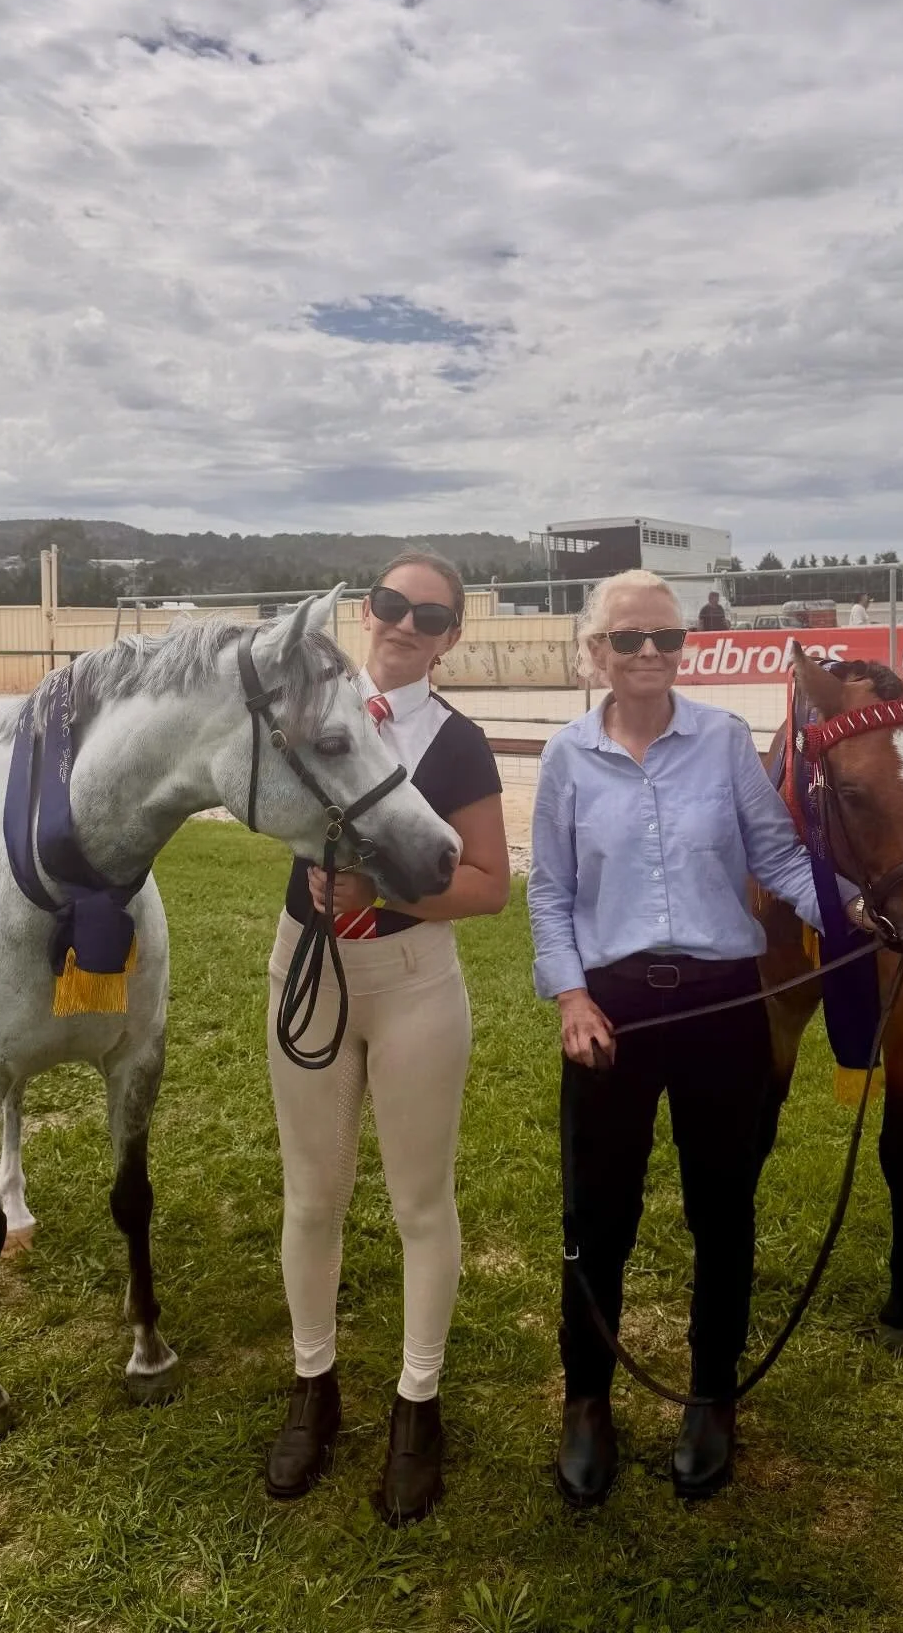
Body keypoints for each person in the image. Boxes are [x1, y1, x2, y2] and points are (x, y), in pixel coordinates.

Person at [528, 569, 868, 1508]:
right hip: (612, 1013)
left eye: (667, 638)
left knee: (723, 1209)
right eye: (628, 638)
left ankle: (712, 1393)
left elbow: (780, 859)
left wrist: (854, 913)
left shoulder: (722, 742)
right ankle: (587, 1400)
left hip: (723, 1006)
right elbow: (550, 894)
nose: (650, 653)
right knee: (598, 1215)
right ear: (594, 651)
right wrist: (571, 999)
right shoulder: (566, 757)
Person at [264, 552, 510, 1524]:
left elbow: (488, 883)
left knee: (419, 1203)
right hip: (308, 969)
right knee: (312, 1196)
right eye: (392, 603)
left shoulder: (457, 743)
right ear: (367, 610)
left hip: (412, 982)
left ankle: (417, 1402)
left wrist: (386, 891)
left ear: (451, 639)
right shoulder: (309, 711)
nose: (406, 623)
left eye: (430, 616)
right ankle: (312, 1385)